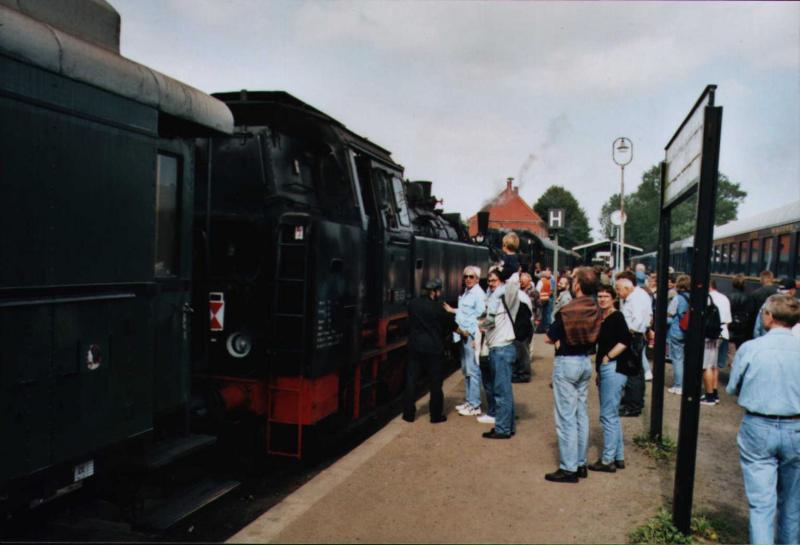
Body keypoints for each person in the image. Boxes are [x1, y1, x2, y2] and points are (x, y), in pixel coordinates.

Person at [726, 294, 800, 545]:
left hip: (758, 426)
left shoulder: (751, 348)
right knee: (792, 503)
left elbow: (733, 388)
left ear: (769, 317)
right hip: (796, 427)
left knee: (761, 505)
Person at [544, 267, 602, 483]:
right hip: (585, 362)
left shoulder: (568, 310)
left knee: (565, 416)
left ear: (577, 285)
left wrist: (559, 339)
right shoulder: (595, 308)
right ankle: (580, 463)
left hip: (566, 362)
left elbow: (550, 336)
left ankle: (568, 468)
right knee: (581, 414)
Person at [589, 284, 632, 473]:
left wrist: (607, 358)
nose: (602, 299)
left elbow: (624, 341)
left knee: (607, 415)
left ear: (614, 299)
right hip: (607, 369)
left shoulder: (616, 317)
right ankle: (619, 456)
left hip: (614, 368)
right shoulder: (604, 317)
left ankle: (607, 460)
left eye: (606, 296)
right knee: (612, 414)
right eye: (599, 296)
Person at [403, 278, 456, 423]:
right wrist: (463, 332)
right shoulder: (438, 308)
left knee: (411, 380)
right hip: (434, 349)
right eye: (438, 291)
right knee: (435, 384)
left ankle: (408, 414)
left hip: (415, 347)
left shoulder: (413, 304)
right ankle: (435, 416)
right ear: (434, 292)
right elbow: (451, 324)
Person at [479, 267, 519, 438]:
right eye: (489, 281)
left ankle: (502, 430)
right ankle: (507, 426)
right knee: (504, 391)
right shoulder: (495, 298)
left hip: (502, 348)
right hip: (499, 347)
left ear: (502, 281)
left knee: (501, 392)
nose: (491, 284)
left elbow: (513, 282)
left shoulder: (503, 295)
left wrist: (481, 325)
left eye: (494, 280)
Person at [445, 266, 486, 417]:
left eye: (471, 276)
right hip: (463, 334)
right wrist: (452, 310)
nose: (468, 279)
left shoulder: (478, 294)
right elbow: (466, 312)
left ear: (477, 278)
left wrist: (477, 337)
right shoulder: (467, 292)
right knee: (467, 370)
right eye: (466, 276)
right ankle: (469, 401)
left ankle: (475, 404)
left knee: (473, 371)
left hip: (471, 335)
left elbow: (482, 317)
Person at [616, 271, 652, 417]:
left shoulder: (634, 298)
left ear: (627, 288)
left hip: (633, 336)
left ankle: (633, 406)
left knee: (632, 373)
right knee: (637, 371)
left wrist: (628, 333)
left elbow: (637, 319)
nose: (617, 293)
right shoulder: (640, 294)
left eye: (618, 290)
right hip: (637, 336)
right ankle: (635, 401)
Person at [703, 280, 732, 405]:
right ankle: (714, 393)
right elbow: (728, 320)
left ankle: (709, 396)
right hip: (723, 333)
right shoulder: (724, 298)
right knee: (714, 366)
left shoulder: (706, 298)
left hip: (709, 336)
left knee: (706, 366)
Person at [666, 275, 691, 395]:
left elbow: (670, 313)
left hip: (678, 331)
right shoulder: (695, 297)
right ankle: (687, 384)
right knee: (687, 359)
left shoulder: (678, 298)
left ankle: (678, 385)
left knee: (677, 359)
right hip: (690, 332)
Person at [728, 274, 754, 348]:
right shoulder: (749, 297)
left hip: (731, 327)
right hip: (743, 328)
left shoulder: (728, 296)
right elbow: (751, 312)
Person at [536, 268, 554, 333]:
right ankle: (546, 327)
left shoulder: (540, 281)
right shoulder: (548, 281)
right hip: (547, 298)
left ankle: (539, 328)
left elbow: (537, 290)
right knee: (546, 314)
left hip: (541, 299)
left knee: (539, 314)